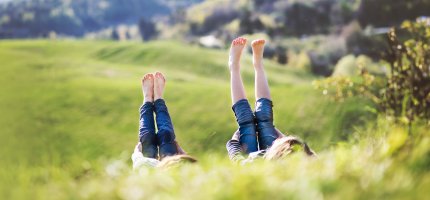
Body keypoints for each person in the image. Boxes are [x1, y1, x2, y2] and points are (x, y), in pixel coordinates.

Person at [226, 37, 316, 164]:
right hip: (278, 154)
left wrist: (234, 142)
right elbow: (309, 156)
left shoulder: (255, 166)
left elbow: (237, 160)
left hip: (265, 157)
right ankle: (258, 64)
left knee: (246, 122)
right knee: (264, 117)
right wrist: (283, 140)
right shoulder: (301, 166)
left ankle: (234, 66)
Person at [131, 72, 196, 169]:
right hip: (170, 166)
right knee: (166, 133)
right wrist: (183, 156)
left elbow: (139, 165)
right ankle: (158, 99)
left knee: (147, 137)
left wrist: (137, 155)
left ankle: (148, 98)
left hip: (148, 164)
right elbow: (191, 170)